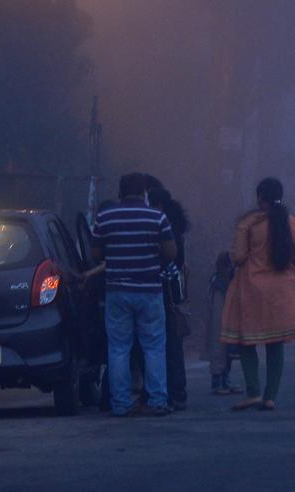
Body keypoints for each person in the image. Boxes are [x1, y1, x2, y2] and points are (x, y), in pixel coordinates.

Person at [91, 172, 177, 417]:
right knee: (154, 347)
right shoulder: (157, 217)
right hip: (149, 289)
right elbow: (171, 252)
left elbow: (96, 254)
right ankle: (157, 401)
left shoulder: (105, 217)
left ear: (120, 192)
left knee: (118, 348)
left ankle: (120, 404)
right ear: (144, 193)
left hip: (117, 290)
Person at [220, 177, 295, 411]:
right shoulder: (294, 224)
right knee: (275, 342)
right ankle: (270, 397)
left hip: (251, 290)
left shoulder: (249, 224)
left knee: (246, 340)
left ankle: (253, 392)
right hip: (283, 292)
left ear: (260, 197)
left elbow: (238, 257)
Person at [147, 186, 191, 411]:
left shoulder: (163, 227)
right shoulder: (173, 226)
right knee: (171, 343)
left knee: (161, 343)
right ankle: (177, 392)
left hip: (162, 289)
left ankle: (169, 392)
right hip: (172, 291)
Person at [207, 251, 242, 395]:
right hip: (219, 323)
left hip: (228, 321)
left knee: (228, 353)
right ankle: (216, 384)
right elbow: (217, 309)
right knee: (218, 351)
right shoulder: (218, 283)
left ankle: (225, 381)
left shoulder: (229, 281)